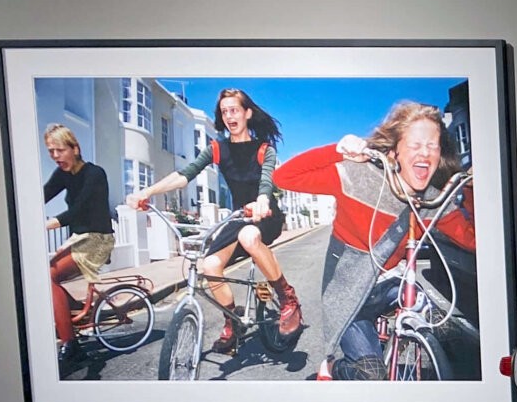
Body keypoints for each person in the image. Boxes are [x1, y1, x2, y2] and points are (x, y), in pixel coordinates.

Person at [272, 101, 475, 380]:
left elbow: (475, 241)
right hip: (351, 295)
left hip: (393, 286)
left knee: (450, 333)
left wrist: (475, 189)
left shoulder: (431, 200)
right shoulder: (358, 176)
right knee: (370, 374)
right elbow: (283, 177)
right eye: (416, 145)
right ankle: (335, 367)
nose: (425, 153)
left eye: (433, 146)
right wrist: (337, 150)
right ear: (394, 152)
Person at [135, 88, 303, 352]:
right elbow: (185, 174)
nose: (229, 116)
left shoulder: (263, 149)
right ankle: (232, 323)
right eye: (224, 112)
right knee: (210, 264)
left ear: (247, 113)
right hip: (238, 217)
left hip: (264, 215)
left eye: (234, 110)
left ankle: (288, 300)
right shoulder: (217, 149)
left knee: (249, 235)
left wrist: (261, 202)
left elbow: (266, 181)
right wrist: (148, 191)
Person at [40, 125, 115, 356]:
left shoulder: (95, 174)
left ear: (75, 149)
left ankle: (70, 344)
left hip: (98, 239)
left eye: (60, 150)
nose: (55, 157)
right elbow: (41, 194)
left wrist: (45, 223)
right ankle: (69, 311)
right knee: (46, 276)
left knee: (49, 275)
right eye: (51, 151)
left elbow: (79, 210)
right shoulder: (63, 174)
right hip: (79, 238)